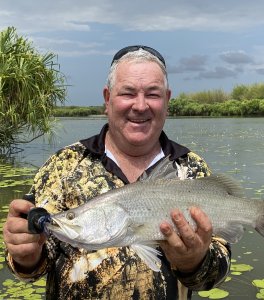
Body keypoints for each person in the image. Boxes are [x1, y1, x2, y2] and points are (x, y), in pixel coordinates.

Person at [3, 45, 231, 300]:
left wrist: (194, 261)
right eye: (128, 93)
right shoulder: (63, 165)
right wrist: (26, 255)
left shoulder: (191, 167)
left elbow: (216, 273)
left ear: (167, 101)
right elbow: (30, 267)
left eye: (153, 94)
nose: (140, 105)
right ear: (108, 98)